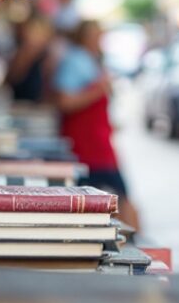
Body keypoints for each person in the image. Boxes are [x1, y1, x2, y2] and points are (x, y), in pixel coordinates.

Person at [53, 20, 140, 229]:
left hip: (97, 139)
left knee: (116, 198)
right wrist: (98, 91)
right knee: (118, 197)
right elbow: (64, 101)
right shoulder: (75, 61)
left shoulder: (90, 60)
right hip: (87, 144)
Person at [6, 15, 53, 103]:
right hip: (19, 105)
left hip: (39, 108)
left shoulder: (49, 57)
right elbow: (10, 80)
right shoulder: (20, 54)